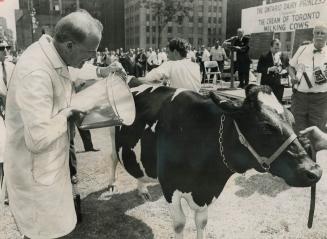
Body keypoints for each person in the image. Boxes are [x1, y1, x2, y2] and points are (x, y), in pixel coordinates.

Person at [3, 10, 123, 239]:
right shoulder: (35, 72)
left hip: (52, 168)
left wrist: (101, 71)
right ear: (69, 45)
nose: (88, 60)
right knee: (45, 234)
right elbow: (37, 138)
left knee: (62, 229)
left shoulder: (53, 52)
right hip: (35, 176)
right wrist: (68, 113)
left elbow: (71, 70)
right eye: (89, 55)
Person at [289, 23, 327, 134]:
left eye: (323, 33)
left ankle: (314, 152)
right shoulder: (302, 49)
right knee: (298, 130)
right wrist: (292, 77)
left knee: (318, 132)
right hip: (300, 98)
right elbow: (290, 67)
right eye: (317, 33)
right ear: (313, 34)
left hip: (320, 99)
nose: (319, 36)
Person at [0, 40, 14, 204]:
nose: (5, 51)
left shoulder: (11, 67)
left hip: (12, 115)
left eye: (7, 47)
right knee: (3, 153)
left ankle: (11, 193)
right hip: (1, 115)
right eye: (2, 48)